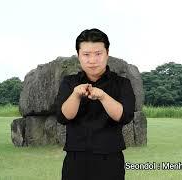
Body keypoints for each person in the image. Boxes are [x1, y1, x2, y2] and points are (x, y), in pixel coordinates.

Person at [55, 28, 135, 180]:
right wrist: (75, 95)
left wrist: (104, 97)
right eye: (86, 54)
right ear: (78, 55)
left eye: (98, 54)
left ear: (107, 53)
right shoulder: (69, 82)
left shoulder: (122, 84)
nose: (92, 60)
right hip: (75, 158)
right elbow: (63, 117)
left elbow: (125, 117)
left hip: (110, 158)